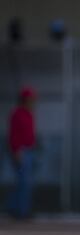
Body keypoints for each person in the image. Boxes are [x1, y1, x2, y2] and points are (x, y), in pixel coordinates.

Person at [7, 87, 37, 219]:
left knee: (24, 182)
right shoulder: (18, 114)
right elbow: (14, 135)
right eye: (30, 100)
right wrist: (16, 151)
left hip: (28, 151)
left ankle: (18, 209)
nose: (33, 102)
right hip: (21, 151)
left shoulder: (28, 114)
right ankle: (19, 210)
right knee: (23, 182)